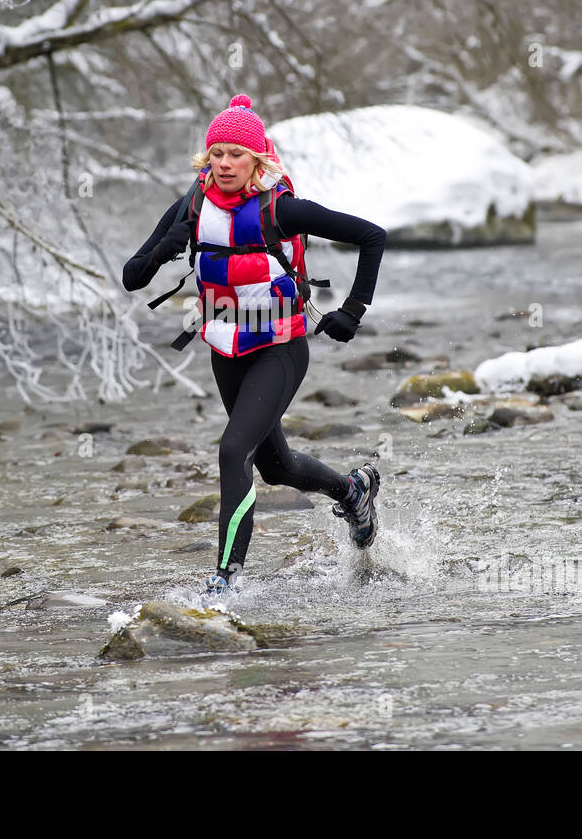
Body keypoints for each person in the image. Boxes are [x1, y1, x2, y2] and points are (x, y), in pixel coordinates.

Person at [122, 94, 387, 598]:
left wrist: (352, 311)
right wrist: (165, 246)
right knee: (276, 466)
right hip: (226, 350)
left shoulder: (281, 210)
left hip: (279, 348)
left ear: (257, 159)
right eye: (216, 153)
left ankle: (224, 580)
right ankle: (352, 491)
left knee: (232, 451)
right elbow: (132, 278)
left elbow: (372, 236)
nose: (224, 164)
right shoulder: (191, 205)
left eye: (235, 155)